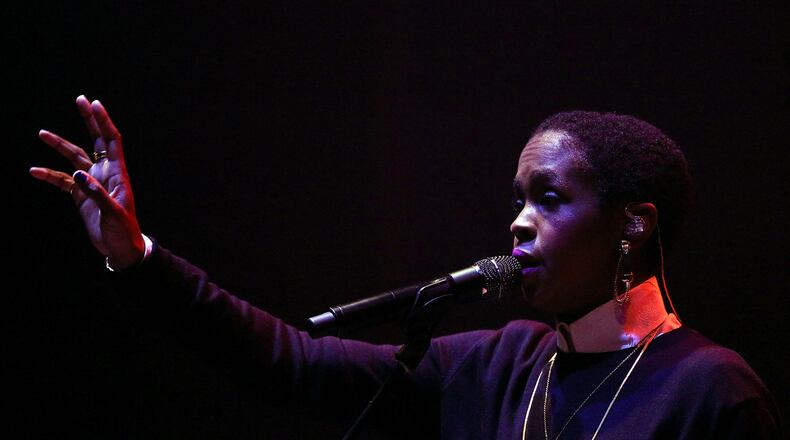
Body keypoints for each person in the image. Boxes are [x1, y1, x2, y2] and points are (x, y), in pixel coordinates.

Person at [30, 95, 781, 439]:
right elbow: (293, 362)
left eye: (549, 199)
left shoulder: (710, 391)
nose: (519, 220)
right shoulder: (498, 363)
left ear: (632, 225)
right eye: (519, 199)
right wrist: (137, 258)